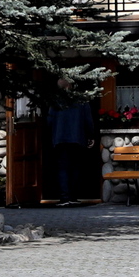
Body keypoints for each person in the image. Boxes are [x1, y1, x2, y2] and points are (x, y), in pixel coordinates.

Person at [46, 79, 95, 207]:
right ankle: (73, 196)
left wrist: (52, 134)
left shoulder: (55, 101)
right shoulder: (81, 100)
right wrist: (90, 136)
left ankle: (64, 198)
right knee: (75, 167)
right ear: (70, 85)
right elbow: (88, 120)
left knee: (62, 168)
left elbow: (49, 121)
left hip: (59, 139)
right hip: (77, 138)